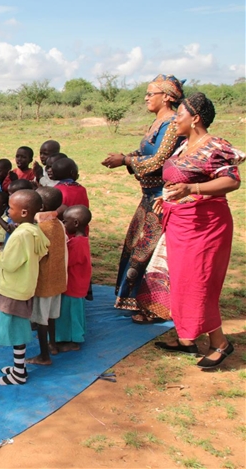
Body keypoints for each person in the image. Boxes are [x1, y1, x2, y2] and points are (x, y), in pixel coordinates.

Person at [153, 93, 243, 369]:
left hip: (205, 227)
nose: (175, 120)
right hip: (181, 223)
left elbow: (231, 180)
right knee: (180, 281)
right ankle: (186, 338)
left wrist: (193, 189)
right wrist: (166, 198)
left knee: (199, 284)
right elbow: (177, 180)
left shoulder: (214, 145)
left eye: (179, 114)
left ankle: (221, 343)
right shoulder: (183, 146)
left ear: (195, 119)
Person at [102, 75, 185, 322]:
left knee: (149, 251)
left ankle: (153, 307)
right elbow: (145, 153)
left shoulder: (171, 124)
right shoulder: (157, 122)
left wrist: (126, 161)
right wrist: (125, 156)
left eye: (151, 94)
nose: (146, 98)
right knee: (136, 246)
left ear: (167, 97)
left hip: (161, 197)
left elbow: (160, 160)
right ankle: (133, 299)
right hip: (147, 195)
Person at [0, 190, 50, 385]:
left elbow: (9, 263)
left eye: (11, 208)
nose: (8, 211)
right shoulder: (34, 231)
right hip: (24, 287)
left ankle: (19, 373)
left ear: (24, 212)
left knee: (16, 331)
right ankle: (19, 366)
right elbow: (43, 249)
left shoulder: (20, 235)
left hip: (13, 290)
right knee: (17, 329)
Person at [26, 187, 67, 365]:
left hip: (43, 280)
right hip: (57, 279)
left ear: (40, 206)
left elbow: (36, 254)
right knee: (50, 316)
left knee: (40, 318)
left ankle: (44, 356)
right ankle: (52, 345)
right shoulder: (59, 224)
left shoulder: (40, 228)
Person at [55, 205, 92, 353]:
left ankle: (72, 340)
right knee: (72, 313)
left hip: (73, 286)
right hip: (76, 285)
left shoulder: (77, 244)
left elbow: (67, 262)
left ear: (75, 223)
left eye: (65, 222)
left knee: (70, 315)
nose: (64, 225)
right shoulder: (80, 240)